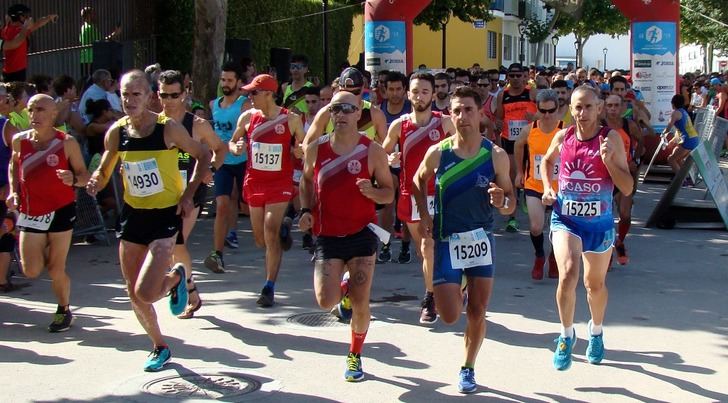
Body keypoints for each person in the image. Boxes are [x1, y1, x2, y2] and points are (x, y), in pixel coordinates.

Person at [86, 70, 210, 371]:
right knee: (133, 292)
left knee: (146, 291)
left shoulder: (168, 129)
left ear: (149, 97)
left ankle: (177, 276)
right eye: (125, 94)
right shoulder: (117, 132)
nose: (129, 100)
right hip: (133, 216)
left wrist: (188, 195)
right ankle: (159, 346)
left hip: (165, 215)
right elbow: (103, 170)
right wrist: (92, 181)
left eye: (136, 94)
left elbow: (203, 155)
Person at [413, 86, 515, 393]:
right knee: (449, 315)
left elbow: (510, 203)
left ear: (480, 113)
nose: (462, 117)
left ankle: (468, 368)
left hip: (481, 239)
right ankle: (458, 285)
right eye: (456, 111)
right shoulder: (439, 152)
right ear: (450, 115)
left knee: (477, 311)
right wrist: (425, 214)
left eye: (468, 110)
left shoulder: (495, 156)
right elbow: (418, 180)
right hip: (447, 239)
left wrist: (502, 202)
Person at [298, 90, 394, 381]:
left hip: (362, 234)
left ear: (358, 114)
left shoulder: (372, 150)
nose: (340, 114)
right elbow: (304, 180)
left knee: (362, 300)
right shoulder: (316, 148)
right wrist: (305, 210)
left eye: (346, 109)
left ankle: (355, 355)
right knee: (325, 301)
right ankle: (342, 291)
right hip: (327, 234)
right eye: (335, 109)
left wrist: (373, 192)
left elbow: (389, 193)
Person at [540, 85, 633, 371]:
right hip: (565, 219)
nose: (583, 113)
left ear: (599, 109)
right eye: (578, 107)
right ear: (570, 109)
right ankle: (566, 336)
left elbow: (627, 187)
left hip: (600, 223)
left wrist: (607, 161)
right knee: (567, 275)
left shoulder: (611, 139)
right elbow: (546, 160)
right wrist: (547, 188)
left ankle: (596, 331)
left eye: (589, 107)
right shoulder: (563, 135)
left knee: (594, 285)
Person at [6, 94, 89, 332]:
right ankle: (39, 246)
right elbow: (14, 166)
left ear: (54, 114)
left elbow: (84, 176)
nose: (35, 115)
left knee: (55, 268)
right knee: (30, 270)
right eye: (31, 109)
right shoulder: (20, 141)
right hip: (32, 212)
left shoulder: (66, 142)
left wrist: (73, 178)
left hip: (61, 210)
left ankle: (64, 309)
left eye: (41, 110)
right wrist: (13, 191)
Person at [382, 72, 454, 324]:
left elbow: (466, 147)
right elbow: (382, 153)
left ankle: (430, 298)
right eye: (415, 91)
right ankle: (439, 287)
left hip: (442, 194)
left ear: (433, 95)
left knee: (429, 246)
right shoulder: (399, 125)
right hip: (411, 194)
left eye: (425, 91)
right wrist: (389, 160)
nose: (419, 96)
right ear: (407, 93)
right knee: (425, 252)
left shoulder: (445, 123)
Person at [229, 74, 305, 307]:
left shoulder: (291, 120)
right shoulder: (247, 117)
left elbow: (302, 148)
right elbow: (232, 143)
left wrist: (299, 151)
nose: (250, 97)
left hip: (279, 184)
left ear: (269, 94)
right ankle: (283, 230)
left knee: (269, 232)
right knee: (261, 239)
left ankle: (268, 286)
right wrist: (236, 147)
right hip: (255, 182)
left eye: (254, 92)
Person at [158, 70, 227, 318]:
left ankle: (184, 288)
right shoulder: (155, 124)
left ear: (184, 94)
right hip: (163, 195)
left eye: (174, 95)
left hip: (191, 193)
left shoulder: (197, 125)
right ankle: (191, 291)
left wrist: (211, 169)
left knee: (175, 243)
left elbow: (221, 149)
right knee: (167, 248)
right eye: (163, 95)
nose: (168, 100)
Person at [204, 62, 248, 273]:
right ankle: (217, 254)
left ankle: (272, 241)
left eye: (230, 80)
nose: (225, 84)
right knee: (221, 204)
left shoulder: (245, 104)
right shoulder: (214, 104)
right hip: (222, 162)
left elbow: (252, 131)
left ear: (239, 82)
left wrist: (243, 144)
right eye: (223, 80)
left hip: (243, 161)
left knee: (246, 206)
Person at [514, 90, 562, 280]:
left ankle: (553, 258)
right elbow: (518, 145)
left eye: (551, 111)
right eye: (543, 111)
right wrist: (519, 171)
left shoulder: (565, 129)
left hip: (559, 187)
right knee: (536, 227)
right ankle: (539, 255)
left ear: (558, 109)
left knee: (558, 230)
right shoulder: (530, 129)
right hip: (534, 184)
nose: (547, 115)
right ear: (537, 109)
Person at [495, 63, 537, 232]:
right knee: (512, 174)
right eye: (511, 75)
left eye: (518, 75)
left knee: (528, 173)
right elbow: (499, 118)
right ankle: (512, 217)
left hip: (529, 139)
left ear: (524, 76)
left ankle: (529, 197)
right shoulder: (502, 95)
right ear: (507, 77)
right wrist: (498, 127)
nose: (515, 78)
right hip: (509, 139)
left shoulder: (531, 93)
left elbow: (543, 113)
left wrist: (533, 117)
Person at [602, 94, 641, 265]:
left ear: (622, 107)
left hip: (624, 175)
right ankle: (608, 251)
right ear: (604, 107)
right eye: (609, 105)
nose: (612, 109)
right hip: (605, 176)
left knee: (625, 215)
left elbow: (642, 143)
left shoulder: (629, 125)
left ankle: (620, 240)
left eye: (616, 105)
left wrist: (635, 161)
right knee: (606, 217)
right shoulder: (599, 126)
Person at [303, 67, 387, 147]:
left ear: (362, 89)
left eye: (355, 92)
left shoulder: (375, 114)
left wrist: (390, 158)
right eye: (346, 91)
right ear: (339, 89)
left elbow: (388, 149)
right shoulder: (327, 112)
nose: (350, 96)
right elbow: (307, 145)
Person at [378, 71, 412, 263]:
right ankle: (385, 244)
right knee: (387, 206)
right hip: (387, 164)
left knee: (406, 206)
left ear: (405, 90)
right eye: (391, 89)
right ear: (385, 90)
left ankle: (406, 246)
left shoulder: (410, 110)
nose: (395, 93)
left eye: (399, 89)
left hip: (409, 165)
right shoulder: (379, 111)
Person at [1, 4, 58, 82]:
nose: (27, 18)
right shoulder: (19, 31)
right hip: (16, 72)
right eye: (25, 16)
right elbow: (17, 42)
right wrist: (26, 26)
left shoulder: (8, 28)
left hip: (11, 71)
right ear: (19, 17)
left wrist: (48, 18)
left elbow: (37, 24)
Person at [0, 83, 19, 292]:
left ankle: (3, 280)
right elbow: (23, 150)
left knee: (7, 231)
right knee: (7, 227)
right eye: (7, 99)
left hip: (4, 187)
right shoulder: (5, 126)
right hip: (3, 188)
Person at [79, 6, 121, 79]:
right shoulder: (89, 28)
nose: (95, 16)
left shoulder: (83, 27)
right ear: (88, 16)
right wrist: (115, 34)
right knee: (93, 79)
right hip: (91, 58)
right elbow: (101, 41)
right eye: (92, 14)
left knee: (86, 79)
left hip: (85, 58)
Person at [664, 94, 700, 177]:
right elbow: (681, 130)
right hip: (694, 139)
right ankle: (688, 178)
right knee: (679, 159)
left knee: (671, 159)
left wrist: (663, 134)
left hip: (688, 140)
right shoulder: (684, 111)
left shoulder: (675, 113)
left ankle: (681, 180)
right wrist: (672, 141)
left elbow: (668, 128)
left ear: (673, 104)